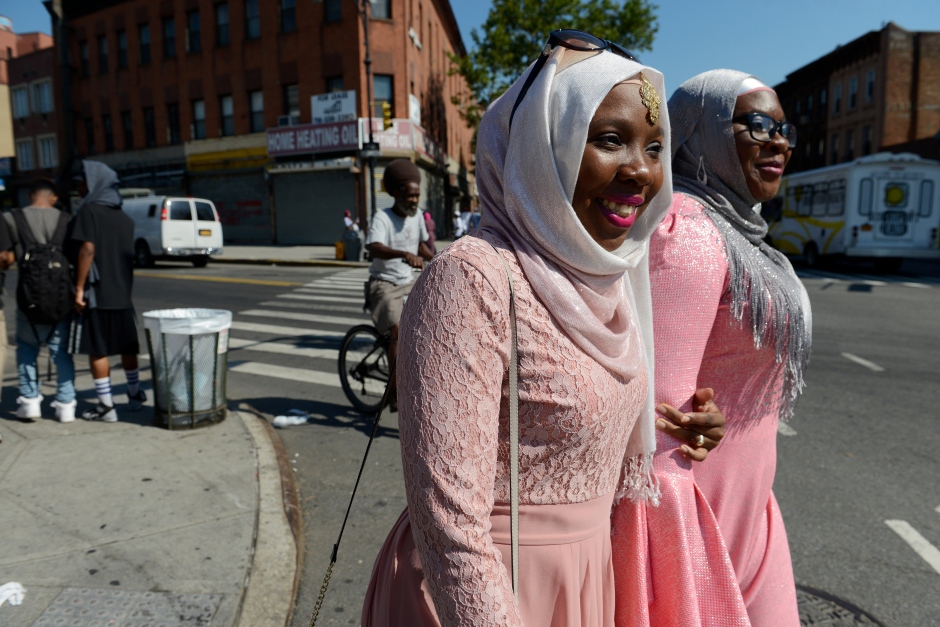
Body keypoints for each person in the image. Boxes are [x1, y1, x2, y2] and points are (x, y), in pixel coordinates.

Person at [362, 32, 675, 626]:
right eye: (609, 140)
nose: (640, 171)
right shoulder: (473, 278)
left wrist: (681, 422)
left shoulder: (609, 280)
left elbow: (579, 416)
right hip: (481, 594)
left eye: (655, 147)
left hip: (584, 580)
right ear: (541, 146)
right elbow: (449, 524)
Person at [611, 71, 812, 626]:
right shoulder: (688, 229)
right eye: (756, 125)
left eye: (783, 128)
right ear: (701, 132)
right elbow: (662, 430)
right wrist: (672, 568)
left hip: (750, 508)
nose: (778, 142)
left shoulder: (747, 236)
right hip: (699, 520)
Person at [67, 160, 147, 422]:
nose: (79, 188)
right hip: (123, 295)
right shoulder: (124, 218)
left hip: (97, 295)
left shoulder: (89, 212)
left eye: (82, 182)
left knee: (98, 350)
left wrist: (79, 289)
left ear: (94, 184)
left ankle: (106, 407)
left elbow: (87, 249)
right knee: (127, 348)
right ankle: (135, 396)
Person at [4, 179, 77, 422]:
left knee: (26, 348)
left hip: (29, 298)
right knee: (61, 352)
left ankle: (29, 401)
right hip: (61, 298)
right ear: (54, 197)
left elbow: (6, 257)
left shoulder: (12, 219)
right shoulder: (67, 220)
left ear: (30, 196)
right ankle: (66, 405)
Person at [365, 159, 434, 381]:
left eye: (416, 196)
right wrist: (404, 254)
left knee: (429, 322)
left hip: (408, 280)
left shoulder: (417, 217)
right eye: (409, 196)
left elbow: (421, 246)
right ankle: (394, 391)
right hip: (384, 283)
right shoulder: (382, 217)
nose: (414, 201)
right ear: (395, 193)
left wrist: (439, 258)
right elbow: (373, 247)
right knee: (397, 331)